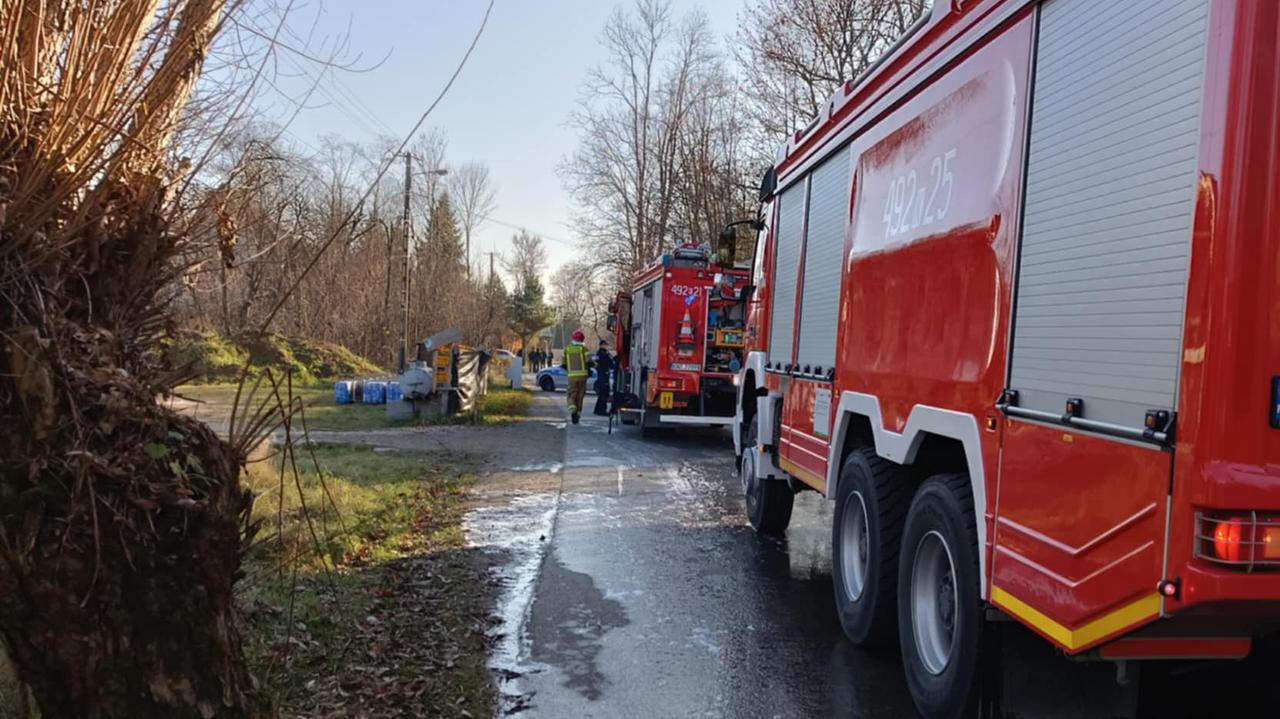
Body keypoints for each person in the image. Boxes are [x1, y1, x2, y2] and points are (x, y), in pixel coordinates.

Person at [562, 330, 592, 424]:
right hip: (583, 377)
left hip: (572, 377)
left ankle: (573, 411)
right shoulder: (584, 349)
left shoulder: (567, 349)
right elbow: (589, 362)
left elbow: (563, 364)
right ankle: (578, 415)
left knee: (571, 395)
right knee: (580, 396)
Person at [593, 339, 614, 416]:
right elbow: (610, 363)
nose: (606, 346)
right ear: (601, 345)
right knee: (604, 394)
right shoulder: (603, 354)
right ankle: (602, 411)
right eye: (605, 345)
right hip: (604, 376)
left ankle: (597, 410)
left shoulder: (598, 354)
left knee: (601, 395)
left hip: (601, 376)